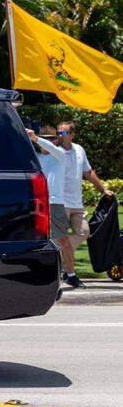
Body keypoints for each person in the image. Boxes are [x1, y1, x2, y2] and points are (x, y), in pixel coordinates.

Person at [57, 121, 113, 287]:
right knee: (61, 239)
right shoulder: (54, 151)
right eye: (58, 133)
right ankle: (69, 273)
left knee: (84, 232)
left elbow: (88, 172)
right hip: (59, 203)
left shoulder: (79, 150)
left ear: (72, 134)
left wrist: (103, 189)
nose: (60, 136)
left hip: (77, 203)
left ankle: (61, 255)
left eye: (64, 133)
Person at [29, 126, 80, 287]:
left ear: (57, 140)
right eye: (46, 138)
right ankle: (47, 276)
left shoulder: (61, 155)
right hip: (38, 204)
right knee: (39, 241)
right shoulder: (35, 157)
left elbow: (50, 147)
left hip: (55, 204)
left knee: (62, 241)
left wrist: (37, 138)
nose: (50, 141)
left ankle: (71, 274)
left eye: (52, 138)